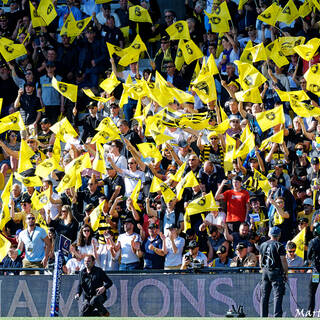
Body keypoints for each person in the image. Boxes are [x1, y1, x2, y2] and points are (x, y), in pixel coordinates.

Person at [259, 226, 288, 318]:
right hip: (275, 271)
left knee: (264, 296)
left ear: (270, 234)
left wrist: (262, 269)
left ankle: (263, 316)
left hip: (265, 271)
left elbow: (260, 259)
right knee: (277, 295)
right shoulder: (279, 245)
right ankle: (277, 316)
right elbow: (283, 260)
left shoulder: (263, 244)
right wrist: (286, 273)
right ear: (279, 235)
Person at [307, 222, 320, 315]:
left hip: (316, 271)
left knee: (312, 291)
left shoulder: (313, 242)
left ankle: (310, 312)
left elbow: (309, 256)